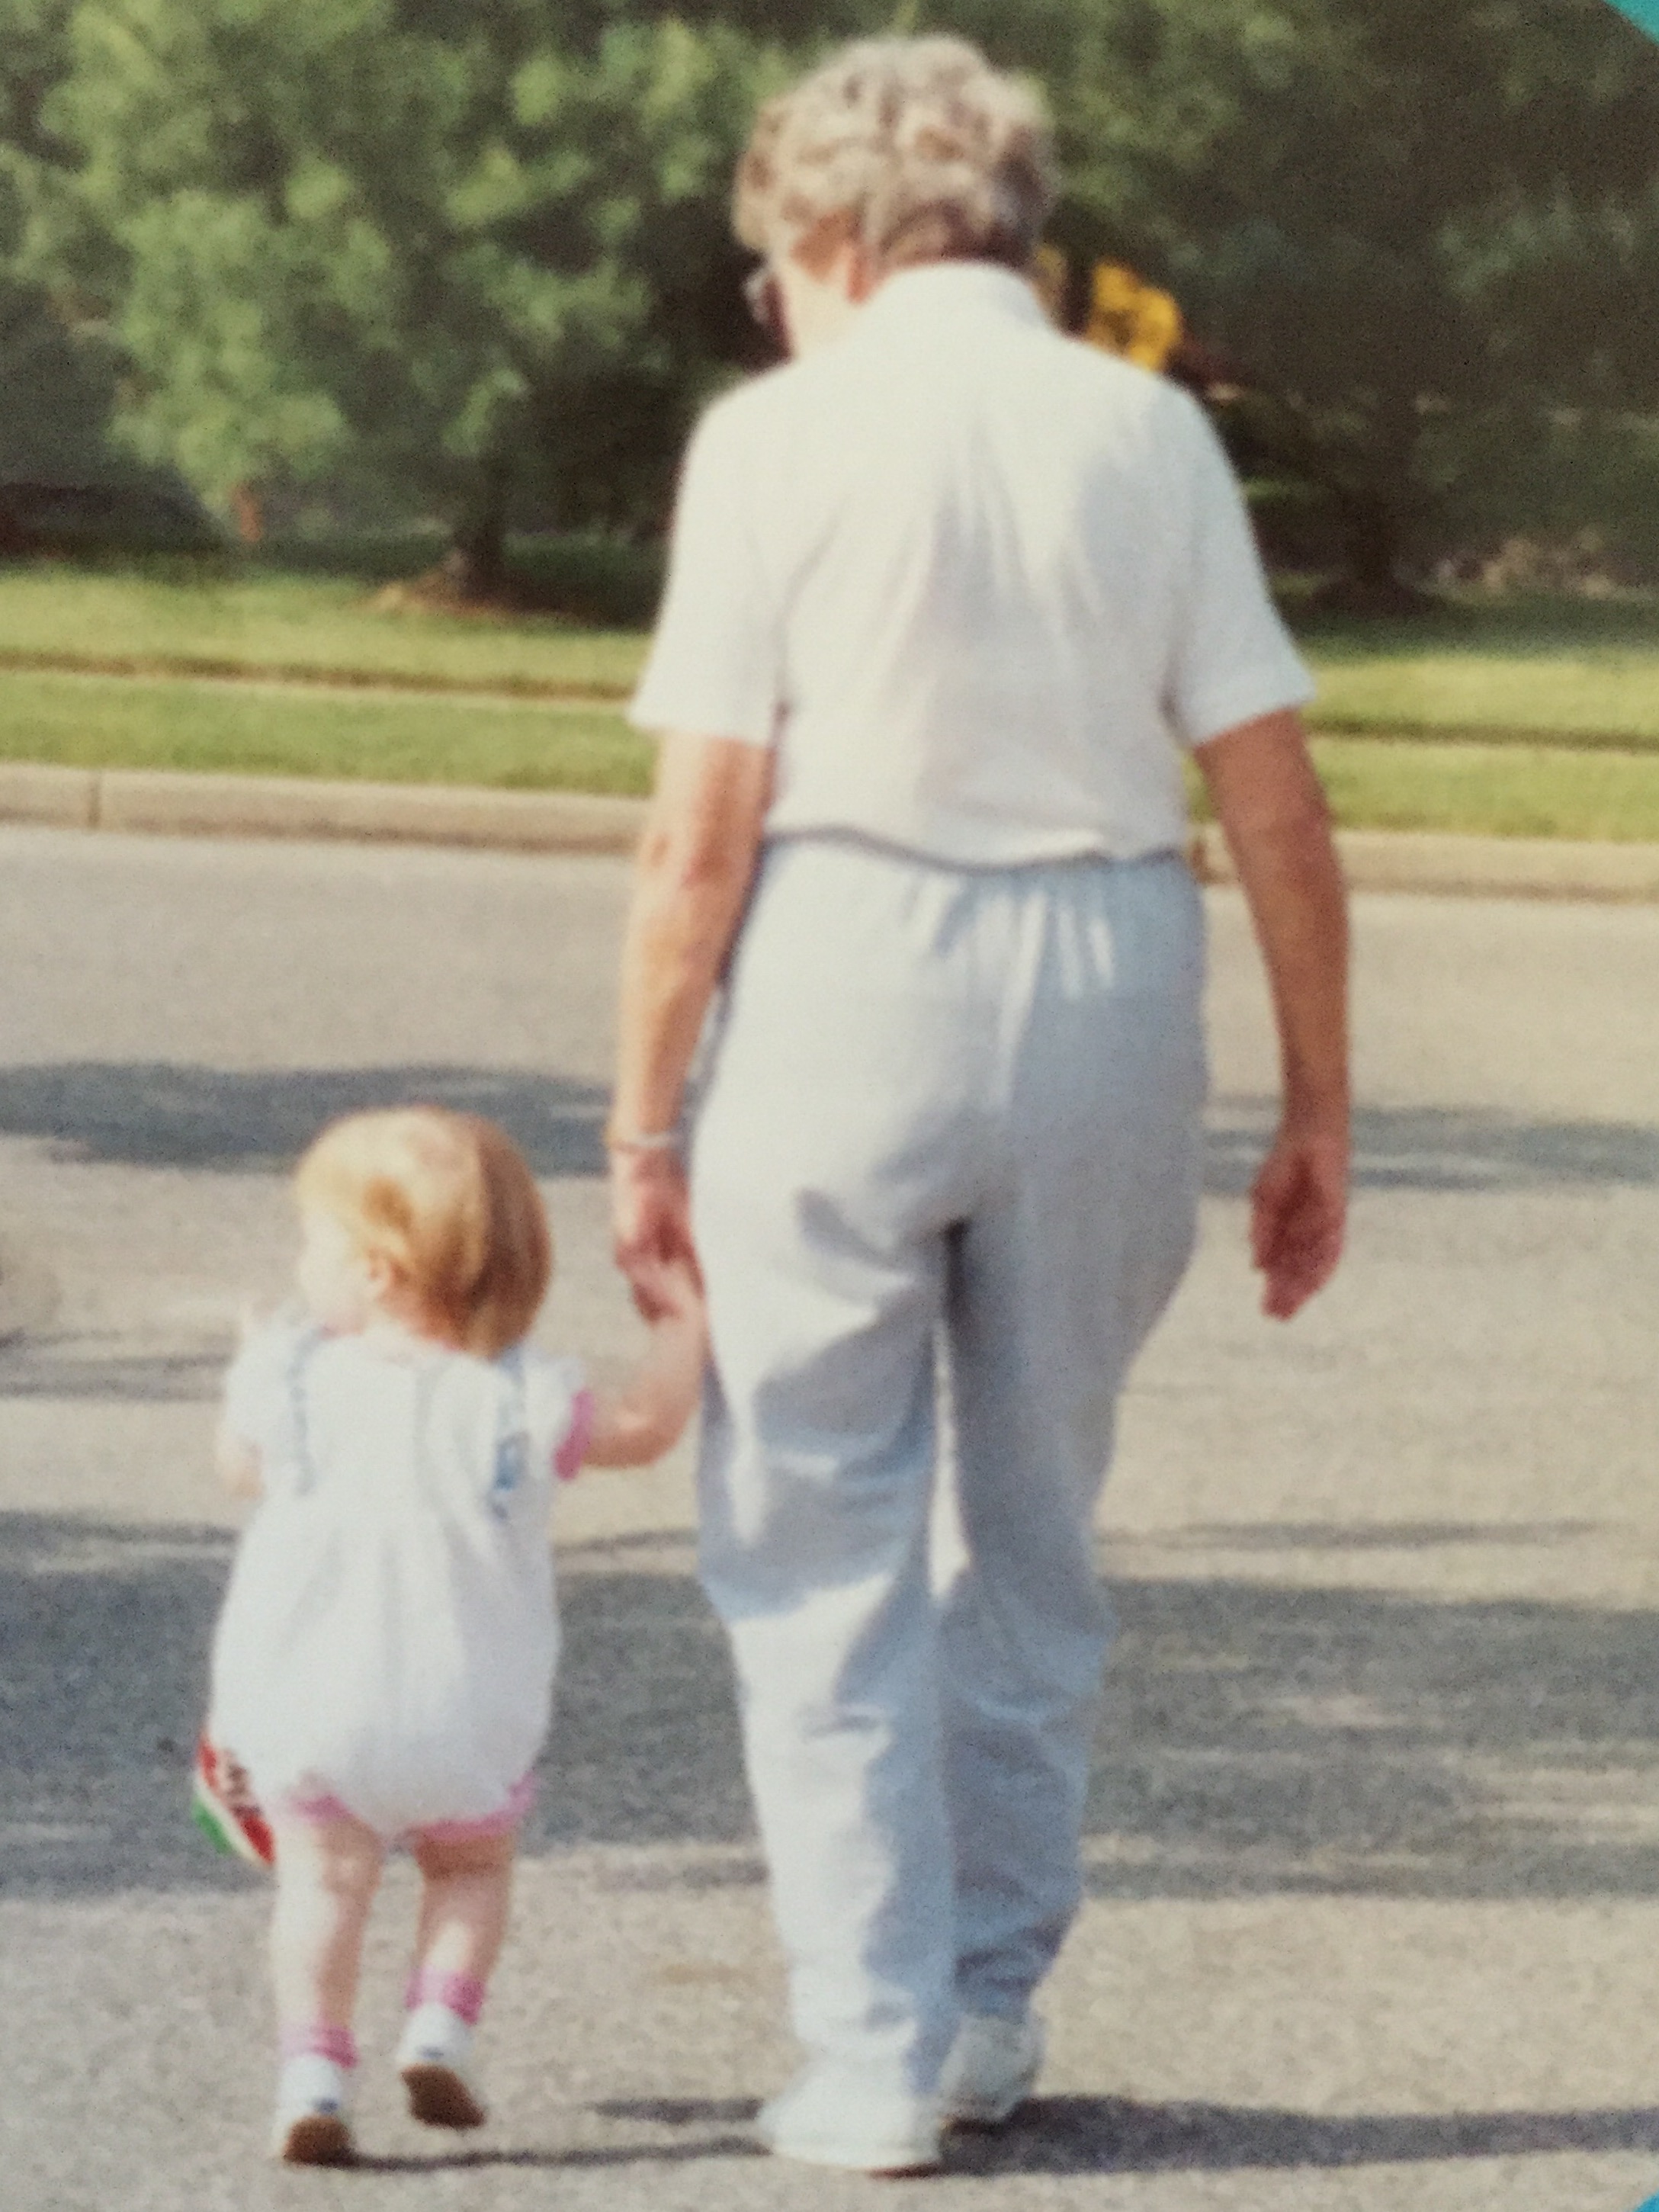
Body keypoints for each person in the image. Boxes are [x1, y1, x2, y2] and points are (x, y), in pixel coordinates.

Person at [608, 32, 1350, 2178]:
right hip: (1107, 969)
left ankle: (865, 2047)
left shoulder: (778, 438)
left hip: (844, 964)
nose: (778, 304)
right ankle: (988, 2002)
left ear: (832, 237)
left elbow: (697, 838)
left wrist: (645, 1121)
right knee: (1026, 1521)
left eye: (778, 270)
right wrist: (1320, 1105)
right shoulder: (1147, 435)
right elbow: (1279, 809)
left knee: (814, 1522)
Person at [203, 1106, 704, 2165]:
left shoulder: (296, 1382)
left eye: (315, 1245)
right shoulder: (519, 1400)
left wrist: (250, 1367)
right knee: (470, 1871)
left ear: (378, 1269)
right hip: (460, 1709)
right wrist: (682, 1329)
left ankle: (313, 2072)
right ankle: (438, 2023)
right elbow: (646, 1428)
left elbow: (240, 1467)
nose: (303, 1269)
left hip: (317, 1704)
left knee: (323, 1886)